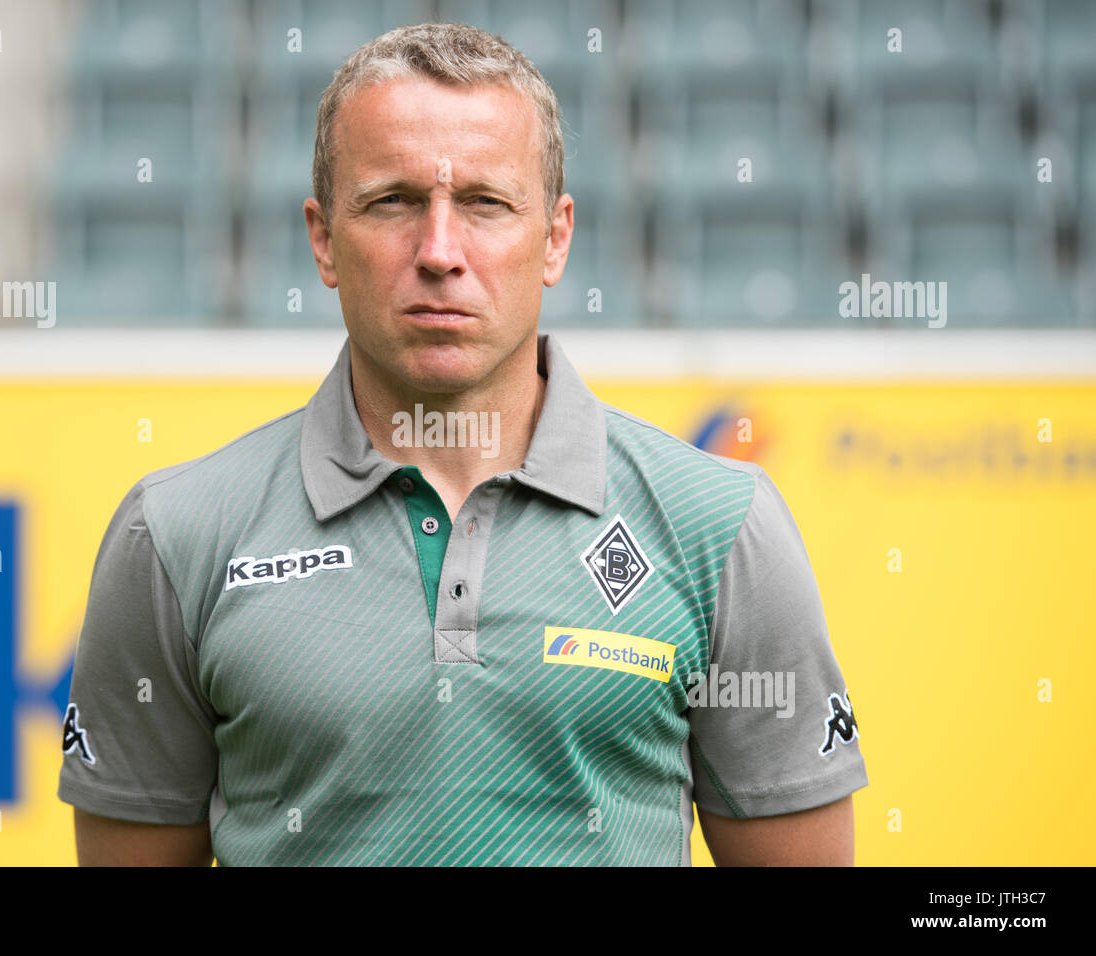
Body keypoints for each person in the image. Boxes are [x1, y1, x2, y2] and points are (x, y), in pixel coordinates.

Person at [58, 22, 867, 866]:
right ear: (324, 238)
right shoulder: (176, 534)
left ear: (555, 238)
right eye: (393, 202)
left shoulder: (719, 527)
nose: (440, 252)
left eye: (485, 203)